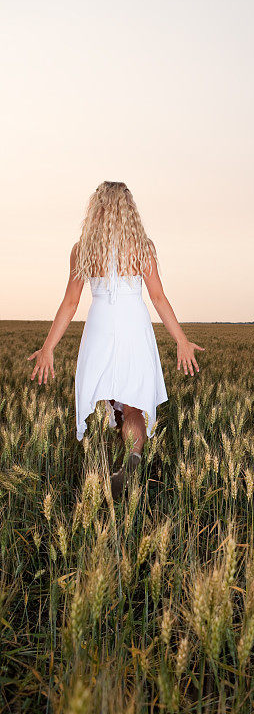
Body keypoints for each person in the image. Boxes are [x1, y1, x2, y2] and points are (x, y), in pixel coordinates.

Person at [27, 180, 205, 498]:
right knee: (134, 402)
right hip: (135, 324)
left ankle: (109, 465)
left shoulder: (82, 248)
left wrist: (48, 347)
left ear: (95, 208)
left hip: (101, 325)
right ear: (129, 209)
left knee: (112, 400)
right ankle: (134, 456)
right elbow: (159, 298)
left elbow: (70, 302)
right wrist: (181, 340)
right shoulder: (143, 246)